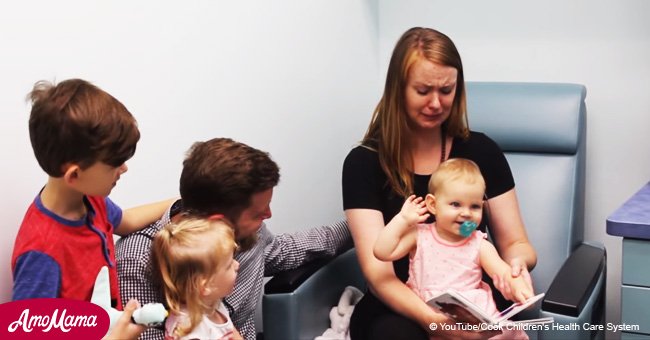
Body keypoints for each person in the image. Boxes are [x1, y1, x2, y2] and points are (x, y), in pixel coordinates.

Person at [342, 27, 537, 339]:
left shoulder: (482, 152)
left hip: (472, 298)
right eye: (422, 91)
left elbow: (516, 244)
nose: (436, 103)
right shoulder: (363, 163)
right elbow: (379, 272)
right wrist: (432, 321)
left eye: (446, 91)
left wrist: (514, 269)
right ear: (398, 89)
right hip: (398, 304)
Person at [116, 137, 351, 340]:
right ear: (219, 221)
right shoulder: (137, 260)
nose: (268, 215)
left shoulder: (250, 236)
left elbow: (291, 249)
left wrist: (362, 225)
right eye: (259, 213)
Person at [11, 79, 173, 308]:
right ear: (74, 175)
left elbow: (126, 221)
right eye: (115, 163)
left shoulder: (90, 199)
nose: (124, 169)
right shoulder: (43, 253)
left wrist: (178, 202)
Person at [374, 158, 531, 339]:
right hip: (434, 315)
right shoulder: (419, 235)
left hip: (475, 316)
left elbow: (503, 272)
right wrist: (401, 220)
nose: (466, 213)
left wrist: (519, 288)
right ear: (433, 205)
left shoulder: (478, 243)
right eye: (455, 204)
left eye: (475, 206)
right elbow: (382, 251)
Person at [151, 217, 242, 340]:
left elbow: (233, 334)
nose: (237, 265)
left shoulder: (212, 304)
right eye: (229, 265)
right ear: (206, 286)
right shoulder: (188, 329)